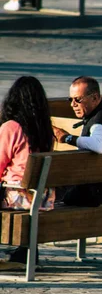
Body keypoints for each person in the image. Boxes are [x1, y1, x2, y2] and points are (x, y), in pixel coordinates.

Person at [0, 76, 55, 264]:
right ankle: (25, 251)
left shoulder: (11, 128)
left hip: (18, 196)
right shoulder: (45, 129)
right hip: (43, 197)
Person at [53, 76, 102, 207]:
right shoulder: (100, 113)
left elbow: (99, 145)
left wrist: (67, 138)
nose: (73, 104)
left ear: (94, 98)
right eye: (70, 99)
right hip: (99, 182)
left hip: (97, 187)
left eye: (78, 99)